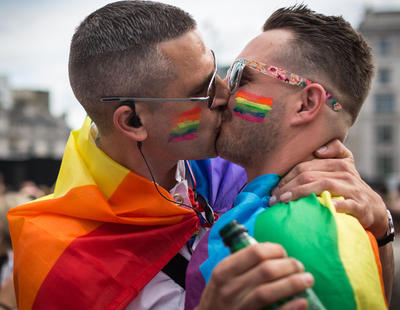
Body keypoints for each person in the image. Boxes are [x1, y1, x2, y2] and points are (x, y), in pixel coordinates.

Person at [7, 1, 392, 310]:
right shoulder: (61, 259)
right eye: (204, 89)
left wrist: (382, 231)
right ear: (134, 121)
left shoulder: (239, 166)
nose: (227, 94)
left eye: (224, 72)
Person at [186, 5, 393, 310]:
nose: (221, 93)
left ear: (306, 104)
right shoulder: (270, 209)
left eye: (241, 77)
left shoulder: (297, 231)